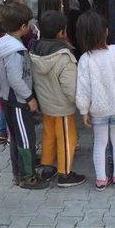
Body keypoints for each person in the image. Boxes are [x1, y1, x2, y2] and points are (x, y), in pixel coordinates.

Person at [75, 10, 115, 191]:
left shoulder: (85, 59)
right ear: (105, 31)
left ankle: (101, 179)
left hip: (98, 110)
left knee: (100, 142)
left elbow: (83, 88)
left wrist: (83, 110)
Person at [0, 3, 49, 190]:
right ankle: (28, 177)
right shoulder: (15, 50)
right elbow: (15, 78)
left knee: (15, 138)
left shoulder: (5, 44)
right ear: (23, 27)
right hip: (18, 101)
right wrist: (29, 97)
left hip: (7, 99)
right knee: (25, 138)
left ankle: (18, 175)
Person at [30, 10, 86, 188]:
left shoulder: (34, 50)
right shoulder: (64, 57)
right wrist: (81, 103)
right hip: (62, 107)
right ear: (62, 32)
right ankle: (64, 173)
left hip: (45, 104)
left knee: (49, 135)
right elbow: (71, 88)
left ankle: (46, 167)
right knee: (67, 138)